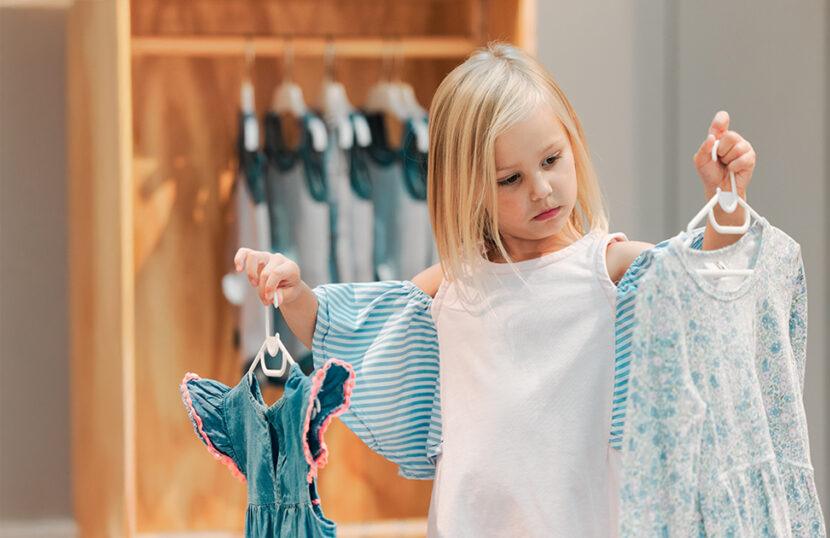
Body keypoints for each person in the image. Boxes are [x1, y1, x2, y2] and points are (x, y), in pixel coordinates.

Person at [233, 42, 757, 537]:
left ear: (573, 143)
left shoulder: (610, 268)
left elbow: (708, 284)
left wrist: (725, 202)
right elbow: (347, 334)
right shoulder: (453, 286)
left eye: (552, 160)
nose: (541, 189)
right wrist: (296, 293)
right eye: (510, 179)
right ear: (470, 188)